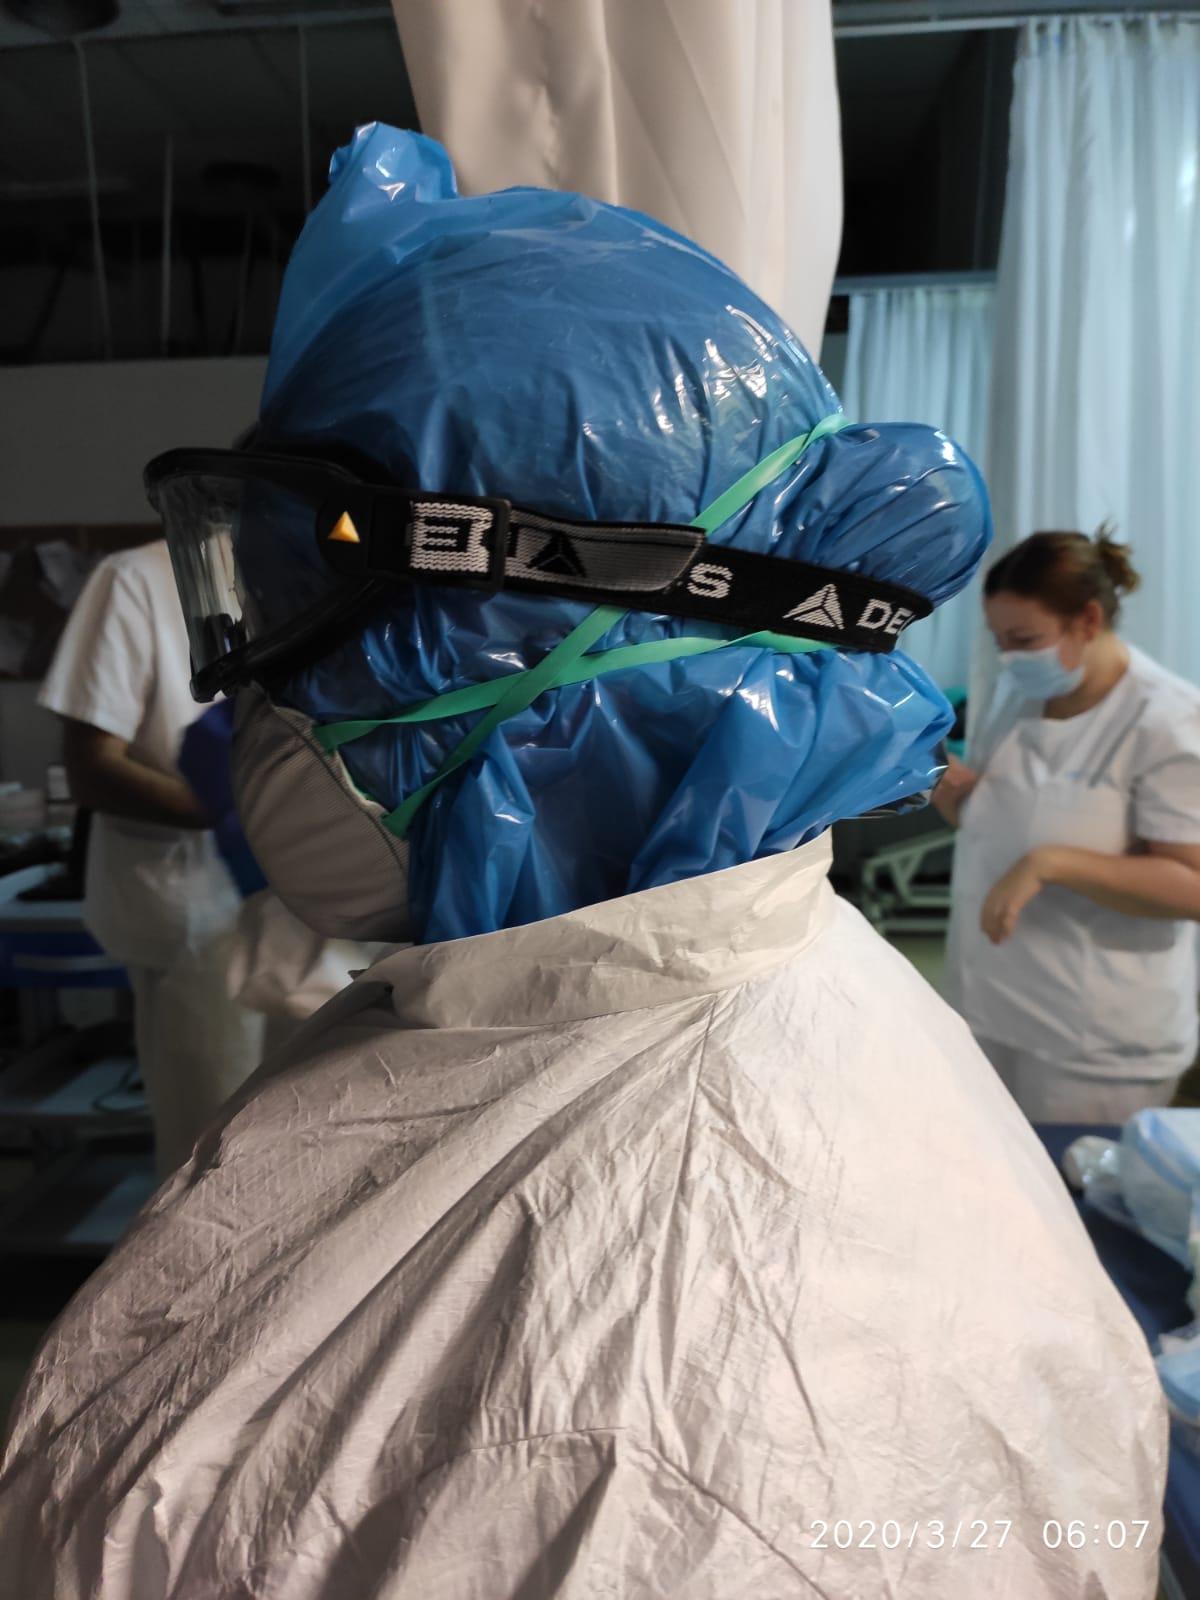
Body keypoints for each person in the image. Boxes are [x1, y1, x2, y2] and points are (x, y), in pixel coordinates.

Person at [0, 127, 1166, 1599]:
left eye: (324, 590)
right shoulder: (549, 999)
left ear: (582, 644)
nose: (256, 698)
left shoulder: (692, 1429)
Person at [940, 530, 1200, 1123]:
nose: (1009, 657)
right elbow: (987, 817)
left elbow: (1193, 885)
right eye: (999, 640)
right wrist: (922, 763)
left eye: (1024, 639)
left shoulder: (1168, 722)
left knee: (1070, 1204)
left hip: (1094, 1045)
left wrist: (1051, 863)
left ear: (1088, 618)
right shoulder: (1021, 695)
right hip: (990, 1006)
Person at [38, 538, 266, 1176]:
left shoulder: (317, 566)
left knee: (312, 1138)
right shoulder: (135, 580)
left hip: (303, 906)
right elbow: (92, 769)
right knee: (215, 1149)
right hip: (197, 915)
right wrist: (232, 811)